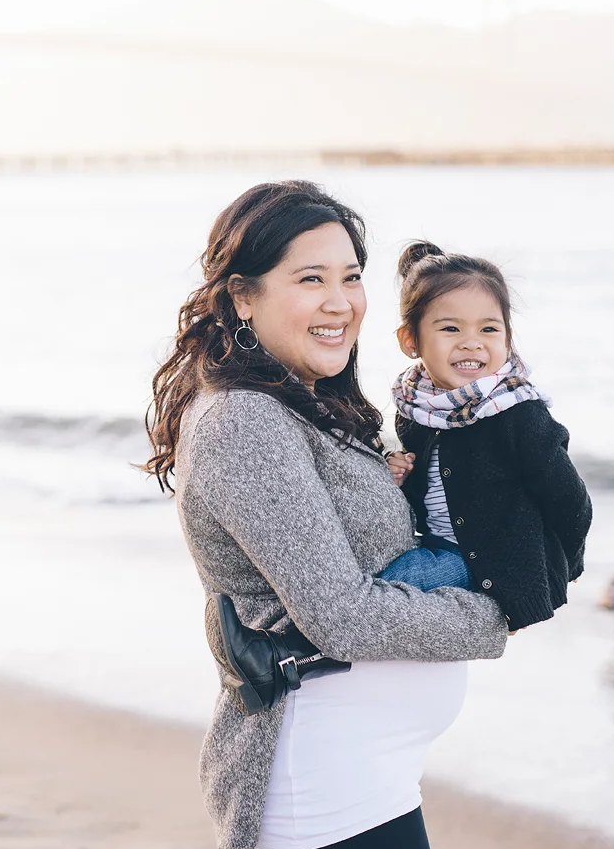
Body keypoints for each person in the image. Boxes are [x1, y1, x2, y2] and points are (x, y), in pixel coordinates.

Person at [145, 181, 508, 849]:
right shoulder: (242, 423)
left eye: (350, 277)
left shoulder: (300, 402)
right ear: (242, 296)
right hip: (324, 766)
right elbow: (339, 613)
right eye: (310, 279)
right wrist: (493, 616)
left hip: (360, 760)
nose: (340, 301)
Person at [221, 241, 594, 707]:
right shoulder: (419, 410)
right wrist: (395, 476)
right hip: (442, 544)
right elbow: (435, 490)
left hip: (487, 560)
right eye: (450, 328)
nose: (472, 342)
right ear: (410, 341)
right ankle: (300, 655)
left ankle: (286, 650)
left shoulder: (516, 413)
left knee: (386, 582)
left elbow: (570, 499)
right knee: (376, 582)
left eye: (489, 329)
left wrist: (567, 564)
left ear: (508, 338)